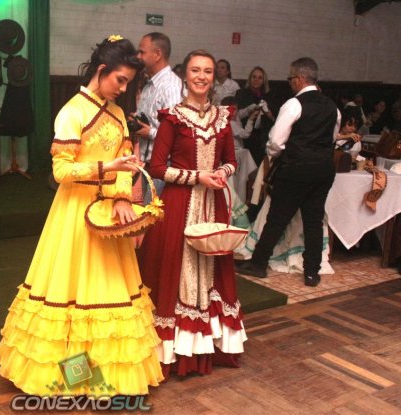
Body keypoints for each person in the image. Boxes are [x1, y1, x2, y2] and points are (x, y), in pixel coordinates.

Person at [0, 36, 163, 396]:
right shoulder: (72, 112)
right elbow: (60, 171)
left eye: (128, 83)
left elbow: (126, 159)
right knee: (71, 293)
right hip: (74, 215)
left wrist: (122, 197)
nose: (123, 89)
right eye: (119, 80)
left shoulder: (118, 114)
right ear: (102, 70)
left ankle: (102, 377)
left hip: (108, 213)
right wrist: (106, 167)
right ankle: (73, 378)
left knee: (107, 293)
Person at [138, 49, 247, 379]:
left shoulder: (222, 117)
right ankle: (176, 352)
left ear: (214, 77)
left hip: (213, 204)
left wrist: (222, 173)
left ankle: (206, 347)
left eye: (208, 71)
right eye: (196, 70)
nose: (201, 76)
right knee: (176, 271)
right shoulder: (172, 118)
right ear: (185, 75)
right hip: (179, 206)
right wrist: (197, 177)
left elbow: (231, 160)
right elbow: (157, 167)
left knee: (212, 271)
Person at [236, 57, 341, 287]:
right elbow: (332, 138)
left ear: (300, 79)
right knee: (313, 220)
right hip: (323, 170)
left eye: (290, 78)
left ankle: (258, 264)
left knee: (277, 218)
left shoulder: (294, 104)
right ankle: (312, 272)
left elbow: (275, 141)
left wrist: (281, 156)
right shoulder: (332, 107)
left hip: (296, 169)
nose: (290, 82)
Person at [133, 32, 183, 204]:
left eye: (142, 52)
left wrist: (150, 132)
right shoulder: (149, 84)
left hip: (163, 167)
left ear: (157, 54)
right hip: (147, 165)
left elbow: (177, 133)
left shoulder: (171, 87)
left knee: (152, 215)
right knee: (143, 213)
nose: (138, 56)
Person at [234, 66, 276, 166]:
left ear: (264, 81)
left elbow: (273, 117)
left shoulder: (269, 95)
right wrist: (251, 111)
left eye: (260, 78)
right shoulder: (241, 93)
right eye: (254, 77)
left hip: (264, 134)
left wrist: (267, 112)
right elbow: (237, 115)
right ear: (250, 78)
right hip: (246, 133)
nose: (256, 80)